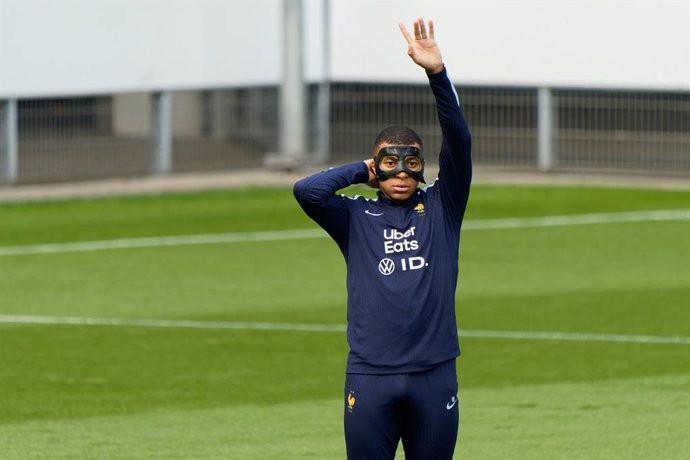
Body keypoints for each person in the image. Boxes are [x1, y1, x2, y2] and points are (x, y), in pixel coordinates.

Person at [293, 18, 472, 460]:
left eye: (410, 163)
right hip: (370, 378)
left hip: (434, 376)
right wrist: (361, 171)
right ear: (377, 168)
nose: (401, 173)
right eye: (389, 163)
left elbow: (460, 142)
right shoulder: (353, 216)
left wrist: (437, 74)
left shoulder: (443, 208)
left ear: (421, 167)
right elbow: (307, 191)